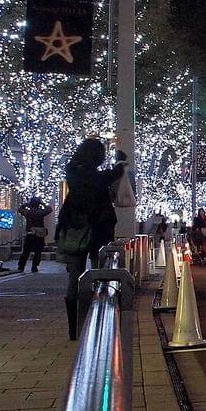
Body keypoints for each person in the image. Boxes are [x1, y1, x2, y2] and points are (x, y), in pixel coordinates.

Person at [54, 139, 125, 340]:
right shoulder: (88, 174)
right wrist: (119, 166)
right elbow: (101, 180)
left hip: (74, 229)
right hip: (95, 229)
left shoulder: (73, 170)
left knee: (75, 276)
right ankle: (96, 321)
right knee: (99, 272)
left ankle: (75, 327)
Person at [17, 196, 53, 273]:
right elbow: (49, 209)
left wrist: (26, 204)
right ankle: (34, 266)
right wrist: (43, 203)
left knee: (26, 251)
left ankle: (21, 266)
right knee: (38, 251)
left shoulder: (28, 212)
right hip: (39, 234)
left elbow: (20, 209)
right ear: (38, 204)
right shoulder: (41, 212)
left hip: (30, 233)